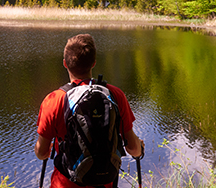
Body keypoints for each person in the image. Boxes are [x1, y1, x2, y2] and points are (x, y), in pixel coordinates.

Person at [35, 33, 144, 188]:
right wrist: (140, 150)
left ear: (65, 63)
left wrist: (49, 150)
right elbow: (133, 148)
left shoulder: (54, 100)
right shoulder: (115, 95)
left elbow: (41, 153)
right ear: (93, 63)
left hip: (65, 183)